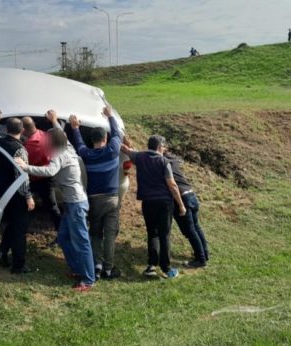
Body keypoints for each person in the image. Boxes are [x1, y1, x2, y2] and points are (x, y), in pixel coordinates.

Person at [15, 110, 94, 292]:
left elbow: (49, 171)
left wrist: (25, 167)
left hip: (75, 204)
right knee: (64, 238)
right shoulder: (68, 147)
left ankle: (88, 279)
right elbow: (61, 133)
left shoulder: (60, 156)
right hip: (72, 202)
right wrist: (54, 121)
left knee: (81, 241)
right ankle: (77, 269)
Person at [68, 106, 122, 279]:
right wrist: (110, 116)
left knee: (96, 233)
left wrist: (75, 128)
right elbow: (117, 133)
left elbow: (79, 144)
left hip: (93, 200)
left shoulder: (86, 154)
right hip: (112, 199)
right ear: (105, 138)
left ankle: (97, 265)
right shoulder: (113, 150)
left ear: (92, 141)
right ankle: (108, 268)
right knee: (110, 234)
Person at [121, 135, 186, 279]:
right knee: (165, 235)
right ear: (159, 147)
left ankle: (151, 266)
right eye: (163, 147)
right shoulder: (164, 162)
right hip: (164, 203)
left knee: (152, 233)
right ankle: (166, 268)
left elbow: (126, 150)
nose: (164, 149)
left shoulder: (140, 157)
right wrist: (181, 205)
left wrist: (121, 139)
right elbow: (172, 185)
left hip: (148, 203)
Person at [0, 118, 36, 274]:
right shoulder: (20, 150)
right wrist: (28, 197)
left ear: (6, 129)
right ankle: (18, 265)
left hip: (3, 190)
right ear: (23, 130)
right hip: (17, 194)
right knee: (19, 229)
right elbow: (22, 176)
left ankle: (2, 252)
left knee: (12, 224)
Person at [165, 152, 209, 268]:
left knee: (190, 231)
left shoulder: (164, 164)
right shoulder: (173, 161)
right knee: (196, 227)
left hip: (183, 199)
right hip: (191, 195)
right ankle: (204, 253)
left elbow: (172, 185)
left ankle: (200, 259)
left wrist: (180, 205)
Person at [22, 116, 61, 233]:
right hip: (48, 178)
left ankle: (60, 230)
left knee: (49, 206)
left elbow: (26, 164)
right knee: (51, 205)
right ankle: (59, 229)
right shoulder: (45, 135)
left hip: (37, 178)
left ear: (23, 130)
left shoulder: (29, 147)